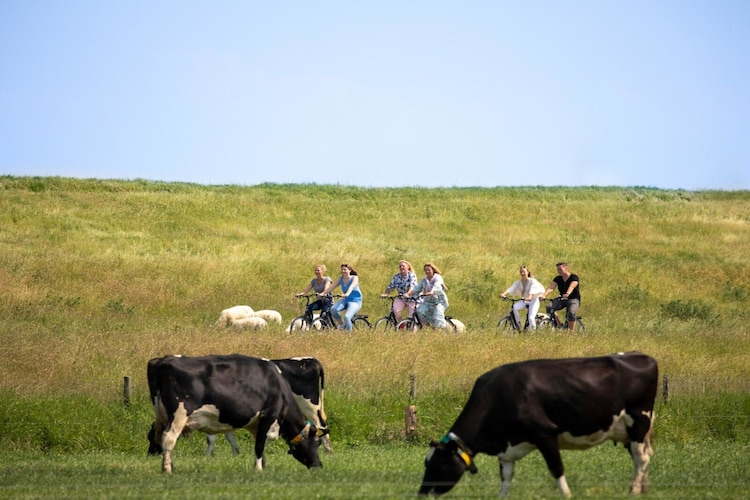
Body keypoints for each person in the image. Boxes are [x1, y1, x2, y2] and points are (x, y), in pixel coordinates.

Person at [500, 265, 546, 330]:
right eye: (521, 272)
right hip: (525, 300)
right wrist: (503, 294)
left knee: (531, 317)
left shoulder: (532, 281)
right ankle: (518, 323)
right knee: (515, 307)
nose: (522, 273)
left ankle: (532, 332)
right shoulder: (518, 282)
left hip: (533, 300)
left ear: (528, 272)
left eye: (524, 272)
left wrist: (530, 296)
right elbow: (511, 288)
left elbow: (533, 289)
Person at [319, 263, 363, 331]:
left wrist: (346, 294)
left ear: (350, 270)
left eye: (345, 269)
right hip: (346, 300)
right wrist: (323, 293)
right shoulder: (341, 279)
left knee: (347, 317)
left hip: (355, 301)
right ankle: (342, 324)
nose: (343, 271)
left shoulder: (354, 278)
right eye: (342, 269)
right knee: (333, 309)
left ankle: (349, 334)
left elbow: (352, 287)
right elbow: (331, 287)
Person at [406, 263, 449, 328]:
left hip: (438, 301)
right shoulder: (424, 280)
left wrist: (431, 291)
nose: (427, 271)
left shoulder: (438, 277)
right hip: (428, 301)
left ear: (433, 270)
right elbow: (417, 288)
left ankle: (440, 331)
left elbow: (437, 286)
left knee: (438, 315)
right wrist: (408, 294)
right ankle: (427, 327)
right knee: (419, 311)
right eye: (425, 270)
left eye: (429, 270)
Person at [542, 262, 581, 331]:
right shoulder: (558, 278)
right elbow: (551, 287)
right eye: (558, 270)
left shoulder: (574, 277)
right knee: (549, 307)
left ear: (566, 269)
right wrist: (544, 295)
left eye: (560, 269)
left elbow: (572, 286)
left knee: (571, 313)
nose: (559, 271)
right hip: (562, 299)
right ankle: (559, 325)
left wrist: (567, 294)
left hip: (573, 299)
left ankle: (570, 332)